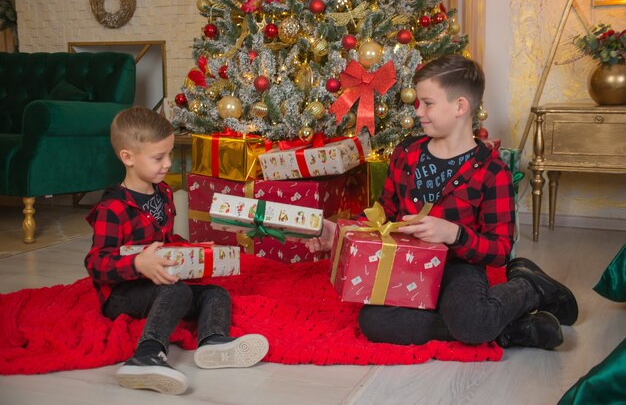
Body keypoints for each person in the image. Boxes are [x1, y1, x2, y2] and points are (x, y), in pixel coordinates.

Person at [307, 54, 578, 350]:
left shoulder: (492, 170)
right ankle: (509, 330)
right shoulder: (406, 153)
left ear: (460, 106)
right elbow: (384, 212)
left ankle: (529, 287)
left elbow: (500, 250)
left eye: (428, 103)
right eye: (418, 103)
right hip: (407, 262)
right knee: (373, 322)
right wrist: (342, 233)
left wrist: (453, 234)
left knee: (470, 317)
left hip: (458, 267)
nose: (419, 112)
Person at [84, 107, 269, 395]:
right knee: (177, 292)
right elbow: (96, 263)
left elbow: (167, 238)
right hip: (122, 293)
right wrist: (137, 264)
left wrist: (194, 249)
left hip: (160, 283)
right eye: (159, 157)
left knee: (215, 293)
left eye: (169, 154)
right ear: (128, 157)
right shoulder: (113, 208)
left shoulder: (164, 193)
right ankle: (145, 355)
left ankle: (213, 343)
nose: (168, 163)